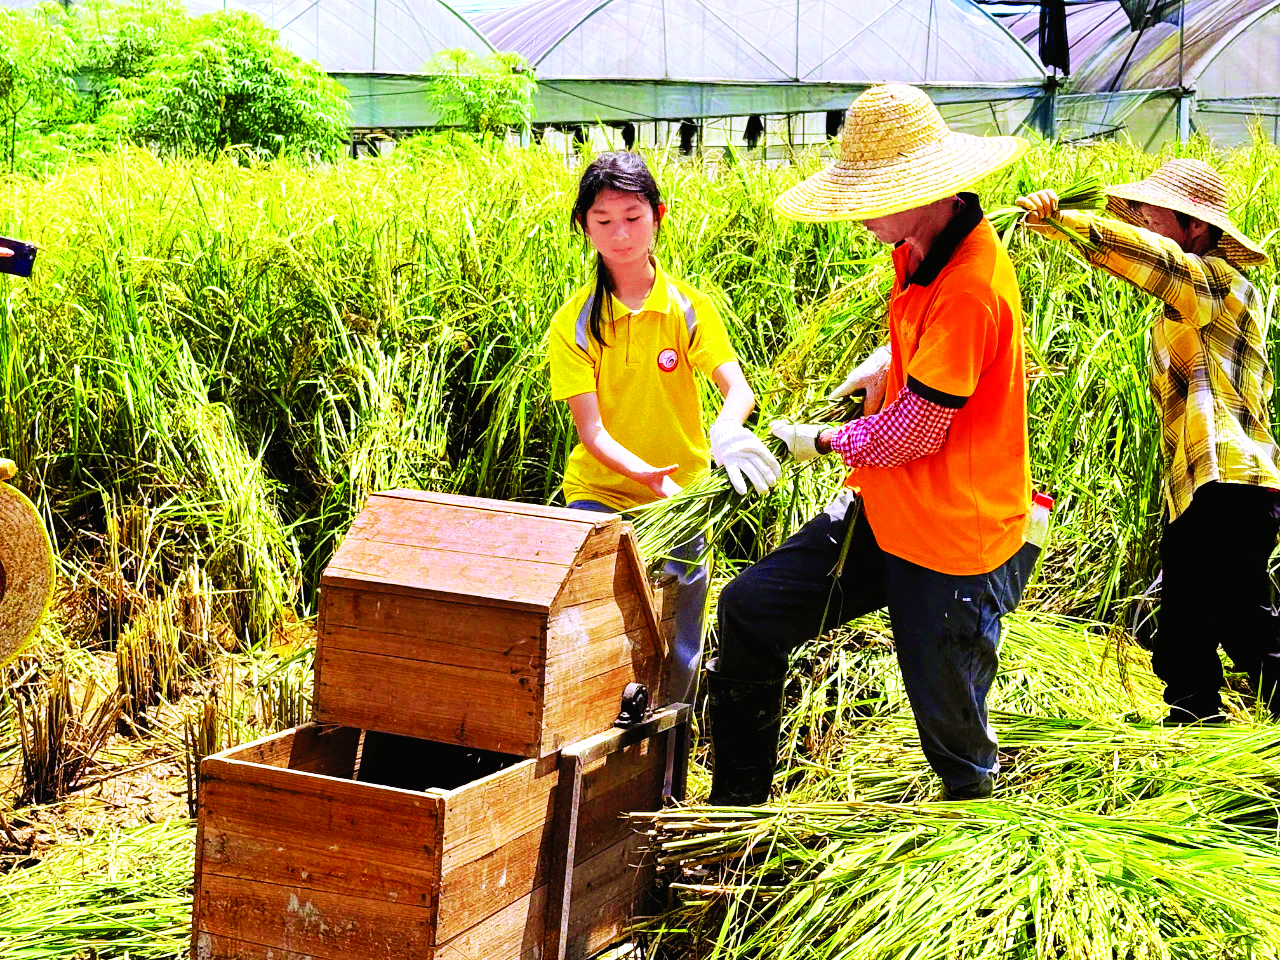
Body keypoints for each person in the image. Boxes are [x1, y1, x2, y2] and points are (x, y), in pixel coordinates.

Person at [707, 84, 1040, 805]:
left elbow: (915, 430)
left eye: (871, 198)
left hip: (951, 540)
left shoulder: (970, 283)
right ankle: (735, 812)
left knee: (952, 737)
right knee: (750, 609)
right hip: (886, 510)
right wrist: (888, 362)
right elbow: (932, 361)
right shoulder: (918, 247)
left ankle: (975, 836)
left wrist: (819, 441)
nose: (858, 215)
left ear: (923, 191)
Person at [1017, 160, 1280, 725]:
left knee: (1234, 623)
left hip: (1233, 481)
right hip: (1199, 487)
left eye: (1150, 213)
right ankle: (1195, 728)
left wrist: (1066, 223)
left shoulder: (1217, 284)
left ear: (1194, 226)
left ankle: (1213, 722)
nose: (1139, 220)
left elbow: (1155, 260)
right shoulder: (1181, 307)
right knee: (1192, 626)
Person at [549, 150, 780, 703]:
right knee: (593, 634)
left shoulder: (688, 307)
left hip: (681, 500)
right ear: (584, 226)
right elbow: (592, 434)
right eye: (604, 220)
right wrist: (644, 476)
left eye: (633, 217)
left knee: (680, 643)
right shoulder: (574, 322)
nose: (620, 234)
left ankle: (672, 742)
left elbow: (738, 389)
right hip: (600, 496)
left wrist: (726, 432)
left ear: (659, 216)